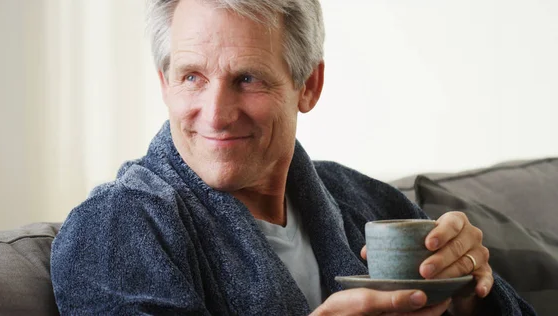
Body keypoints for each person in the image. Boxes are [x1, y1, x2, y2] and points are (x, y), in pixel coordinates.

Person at [50, 0, 536, 315]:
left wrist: (470, 293)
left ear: (309, 85)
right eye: (192, 76)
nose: (216, 115)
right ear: (165, 83)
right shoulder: (116, 225)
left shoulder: (362, 198)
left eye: (247, 78)